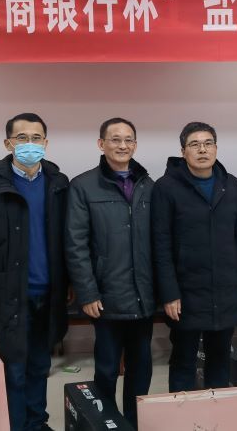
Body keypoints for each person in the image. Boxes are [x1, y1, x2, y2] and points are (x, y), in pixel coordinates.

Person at [0, 113, 70, 431]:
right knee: (14, 368)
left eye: (36, 138)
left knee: (40, 365)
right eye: (22, 138)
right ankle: (17, 425)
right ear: (8, 143)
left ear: (46, 143)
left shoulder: (58, 184)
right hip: (9, 295)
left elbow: (67, 240)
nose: (30, 144)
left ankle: (37, 423)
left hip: (48, 292)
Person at [66, 117, 154, 425]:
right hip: (105, 296)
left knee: (142, 367)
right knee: (106, 368)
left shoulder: (148, 185)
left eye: (128, 139)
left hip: (143, 295)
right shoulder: (83, 185)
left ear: (135, 145)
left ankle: (134, 422)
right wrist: (87, 292)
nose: (122, 145)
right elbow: (76, 244)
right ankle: (105, 423)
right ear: (101, 144)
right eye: (115, 139)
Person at [152, 122, 237, 392]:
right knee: (184, 361)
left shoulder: (231, 184)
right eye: (194, 144)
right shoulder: (166, 187)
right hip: (186, 293)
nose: (202, 150)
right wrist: (169, 293)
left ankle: (215, 412)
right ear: (183, 151)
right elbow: (160, 244)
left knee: (220, 359)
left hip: (224, 290)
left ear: (216, 148)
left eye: (208, 143)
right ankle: (181, 413)